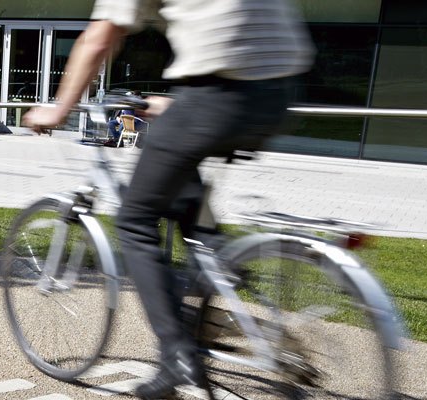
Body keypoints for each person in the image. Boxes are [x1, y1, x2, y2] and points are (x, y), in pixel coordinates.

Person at [23, 1, 314, 397]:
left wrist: (57, 110)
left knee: (134, 221)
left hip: (217, 93)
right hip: (277, 93)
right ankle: (217, 285)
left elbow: (98, 39)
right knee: (188, 205)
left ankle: (177, 356)